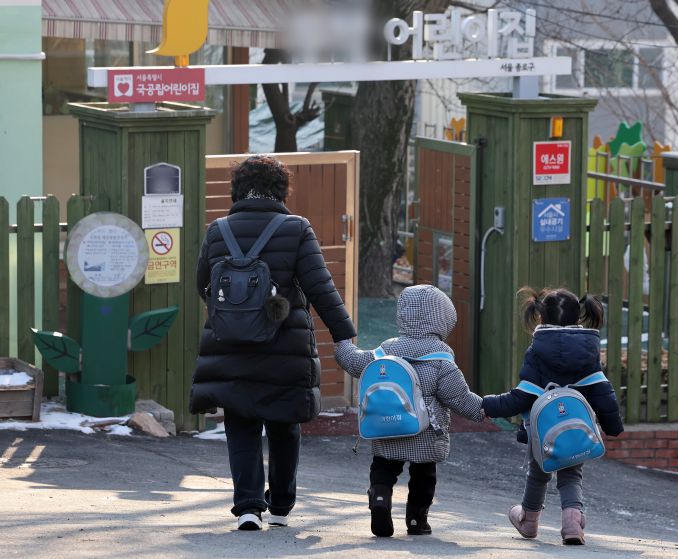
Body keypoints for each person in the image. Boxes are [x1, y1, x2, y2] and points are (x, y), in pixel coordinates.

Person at [191, 155, 356, 531]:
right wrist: (344, 335)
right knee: (284, 423)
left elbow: (203, 284)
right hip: (285, 347)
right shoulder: (296, 229)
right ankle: (281, 505)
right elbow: (321, 288)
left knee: (241, 422)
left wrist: (237, 314)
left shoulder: (218, 230)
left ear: (237, 189)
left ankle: (248, 505)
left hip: (230, 346)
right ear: (281, 190)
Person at [334, 284, 484, 538]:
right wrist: (482, 409)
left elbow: (356, 362)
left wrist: (343, 344)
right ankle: (416, 519)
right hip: (424, 430)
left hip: (386, 425)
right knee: (424, 475)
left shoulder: (386, 350)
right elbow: (458, 396)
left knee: (383, 467)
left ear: (403, 314)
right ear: (443, 319)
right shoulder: (441, 358)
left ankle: (380, 498)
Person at [481, 287, 624, 545]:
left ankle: (529, 520)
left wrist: (487, 405)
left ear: (540, 318)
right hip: (576, 430)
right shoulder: (588, 351)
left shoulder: (537, 351)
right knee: (571, 474)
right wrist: (613, 425)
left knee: (538, 473)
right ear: (579, 318)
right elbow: (602, 391)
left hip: (543, 433)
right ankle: (572, 522)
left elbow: (522, 396)